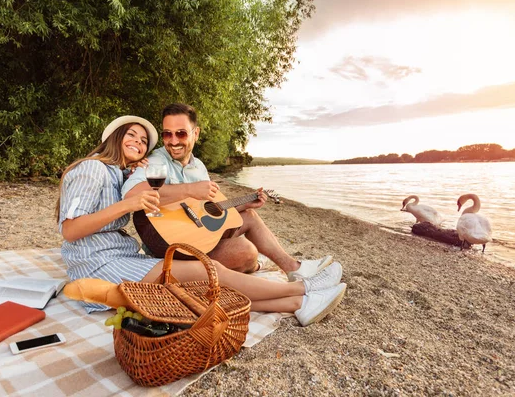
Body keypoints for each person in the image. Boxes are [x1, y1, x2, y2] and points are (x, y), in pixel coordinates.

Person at [56, 115, 346, 326]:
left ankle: (297, 304)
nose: (139, 143)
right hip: (99, 265)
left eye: (143, 141)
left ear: (195, 134)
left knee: (196, 297)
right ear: (114, 139)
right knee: (211, 272)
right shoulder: (92, 169)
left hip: (121, 257)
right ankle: (304, 288)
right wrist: (128, 203)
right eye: (131, 135)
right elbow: (70, 231)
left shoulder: (117, 173)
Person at [123, 103, 336, 280]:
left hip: (196, 236)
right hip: (170, 248)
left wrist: (244, 204)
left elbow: (204, 211)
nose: (173, 140)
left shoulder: (199, 167)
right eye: (167, 134)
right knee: (247, 252)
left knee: (250, 216)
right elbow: (133, 194)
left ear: (195, 133)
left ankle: (294, 268)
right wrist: (190, 189)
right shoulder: (157, 160)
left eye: (181, 133)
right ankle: (254, 267)